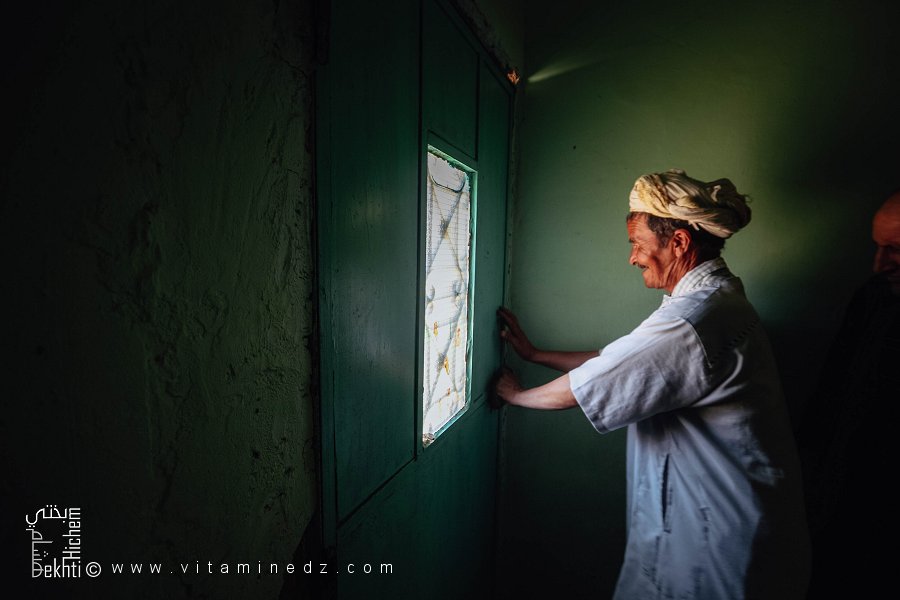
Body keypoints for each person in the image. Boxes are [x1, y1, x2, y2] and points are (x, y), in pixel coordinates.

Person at [496, 169, 810, 599]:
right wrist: (534, 354)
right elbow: (623, 362)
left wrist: (514, 395)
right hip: (723, 521)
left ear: (679, 242)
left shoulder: (693, 318)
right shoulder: (712, 302)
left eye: (637, 244)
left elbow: (584, 387)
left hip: (718, 537)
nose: (633, 257)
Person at [797, 191, 900, 598]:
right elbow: (831, 395)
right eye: (877, 247)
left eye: (895, 250)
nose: (879, 264)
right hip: (844, 499)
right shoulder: (874, 297)